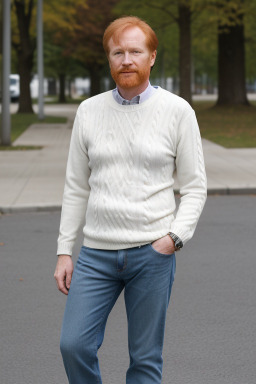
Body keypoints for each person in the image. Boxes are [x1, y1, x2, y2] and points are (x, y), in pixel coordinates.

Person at [54, 16, 207, 384]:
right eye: (117, 52)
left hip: (151, 254)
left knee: (144, 360)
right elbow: (76, 185)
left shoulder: (177, 111)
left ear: (151, 57)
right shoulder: (89, 111)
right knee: (73, 345)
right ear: (109, 59)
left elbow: (195, 186)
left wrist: (173, 239)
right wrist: (64, 250)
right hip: (96, 254)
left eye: (135, 51)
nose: (126, 59)